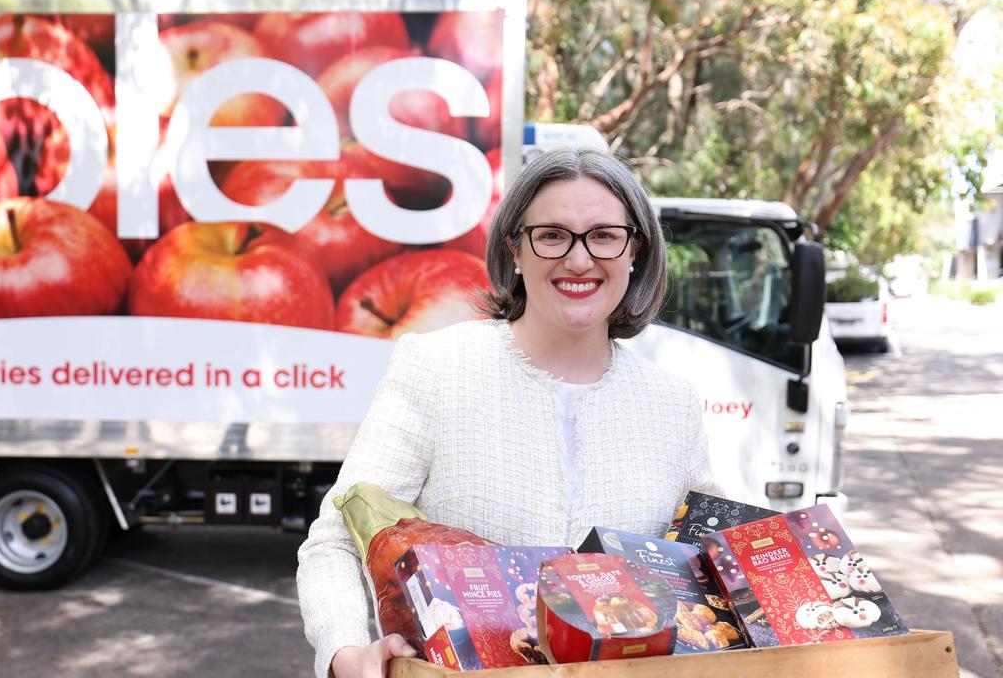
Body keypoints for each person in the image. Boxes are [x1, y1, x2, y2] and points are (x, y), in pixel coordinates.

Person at [296, 147, 721, 678]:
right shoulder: (436, 367)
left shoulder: (671, 402)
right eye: (552, 236)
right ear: (514, 251)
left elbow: (709, 571)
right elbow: (335, 541)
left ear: (635, 251)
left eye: (605, 236)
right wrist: (346, 653)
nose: (580, 259)